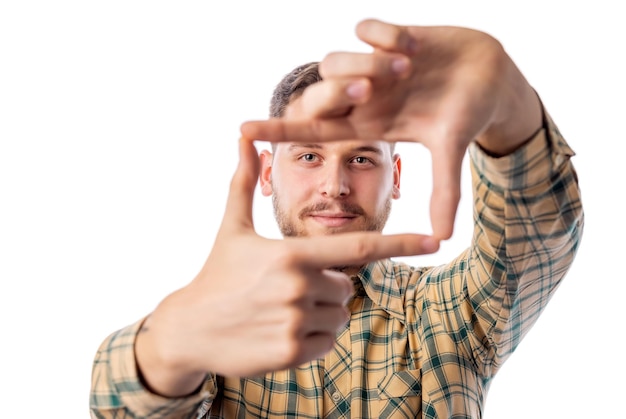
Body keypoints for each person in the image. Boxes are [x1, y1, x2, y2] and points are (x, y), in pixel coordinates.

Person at [90, 19, 584, 418]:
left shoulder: (448, 312)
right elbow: (119, 408)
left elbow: (539, 238)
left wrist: (509, 106)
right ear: (267, 173)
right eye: (308, 157)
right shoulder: (221, 320)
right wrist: (173, 340)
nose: (335, 185)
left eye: (362, 159)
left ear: (394, 175)